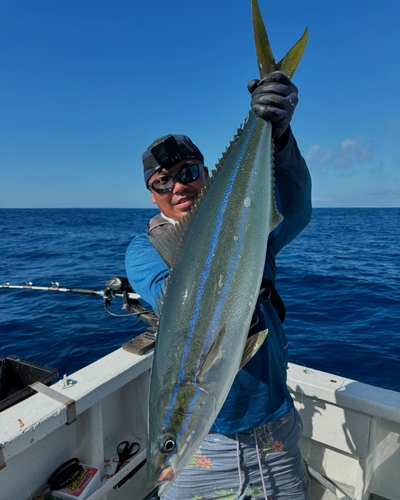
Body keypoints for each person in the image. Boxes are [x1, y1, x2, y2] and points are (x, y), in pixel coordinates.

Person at [125, 71, 312, 500]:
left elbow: (297, 211)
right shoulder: (145, 250)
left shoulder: (250, 227)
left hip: (274, 426)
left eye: (188, 171)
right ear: (152, 194)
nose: (178, 186)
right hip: (205, 448)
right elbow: (168, 297)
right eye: (162, 182)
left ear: (206, 174)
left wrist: (278, 137)